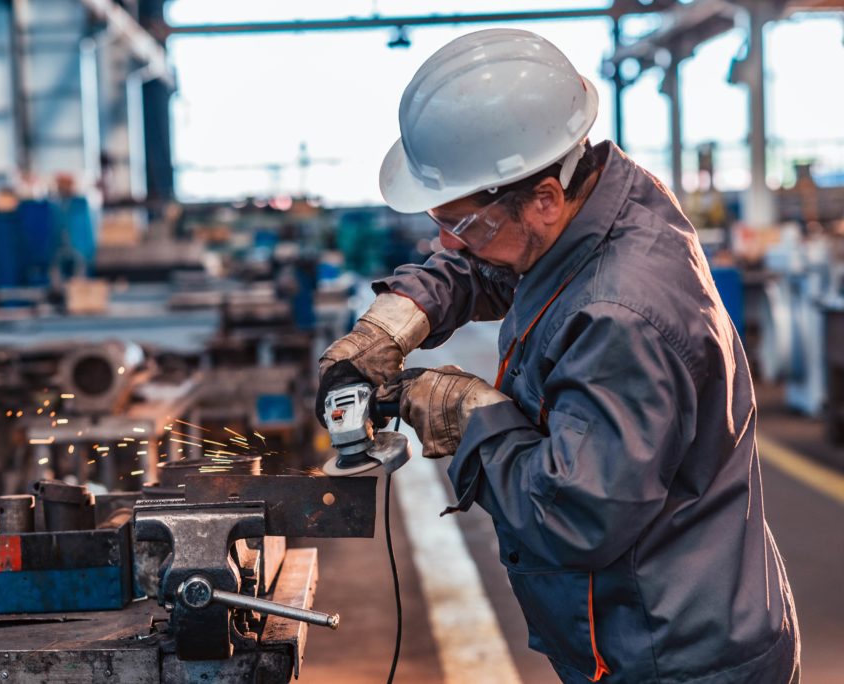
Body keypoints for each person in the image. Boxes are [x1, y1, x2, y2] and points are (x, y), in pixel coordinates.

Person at [317, 29, 800, 683]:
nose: (448, 241)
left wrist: (467, 416)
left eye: (461, 224)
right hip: (649, 626)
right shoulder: (594, 199)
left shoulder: (624, 317)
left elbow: (571, 515)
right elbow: (487, 265)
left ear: (543, 196)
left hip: (673, 656)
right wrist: (392, 324)